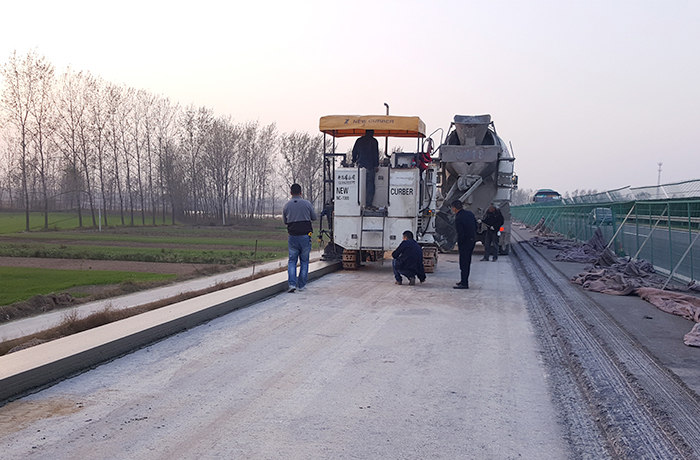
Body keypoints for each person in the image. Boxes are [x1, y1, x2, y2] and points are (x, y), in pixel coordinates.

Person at [282, 183, 317, 293]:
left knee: (292, 261)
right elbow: (314, 218)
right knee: (304, 261)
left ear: (291, 193)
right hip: (305, 236)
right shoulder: (307, 204)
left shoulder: (286, 206)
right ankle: (301, 285)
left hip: (293, 237)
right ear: (301, 192)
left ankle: (292, 284)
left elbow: (285, 222)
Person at [451, 200, 477, 289]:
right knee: (467, 262)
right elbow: (476, 226)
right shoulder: (470, 214)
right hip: (472, 241)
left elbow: (460, 233)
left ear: (454, 208)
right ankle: (463, 280)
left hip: (464, 243)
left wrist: (459, 242)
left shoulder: (458, 218)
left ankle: (464, 283)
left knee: (463, 263)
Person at [351, 129, 379, 209]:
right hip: (370, 167)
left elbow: (354, 152)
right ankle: (368, 204)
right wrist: (376, 165)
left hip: (360, 167)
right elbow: (375, 154)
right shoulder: (374, 141)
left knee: (359, 185)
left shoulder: (359, 140)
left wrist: (353, 160)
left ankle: (358, 203)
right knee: (370, 186)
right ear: (372, 133)